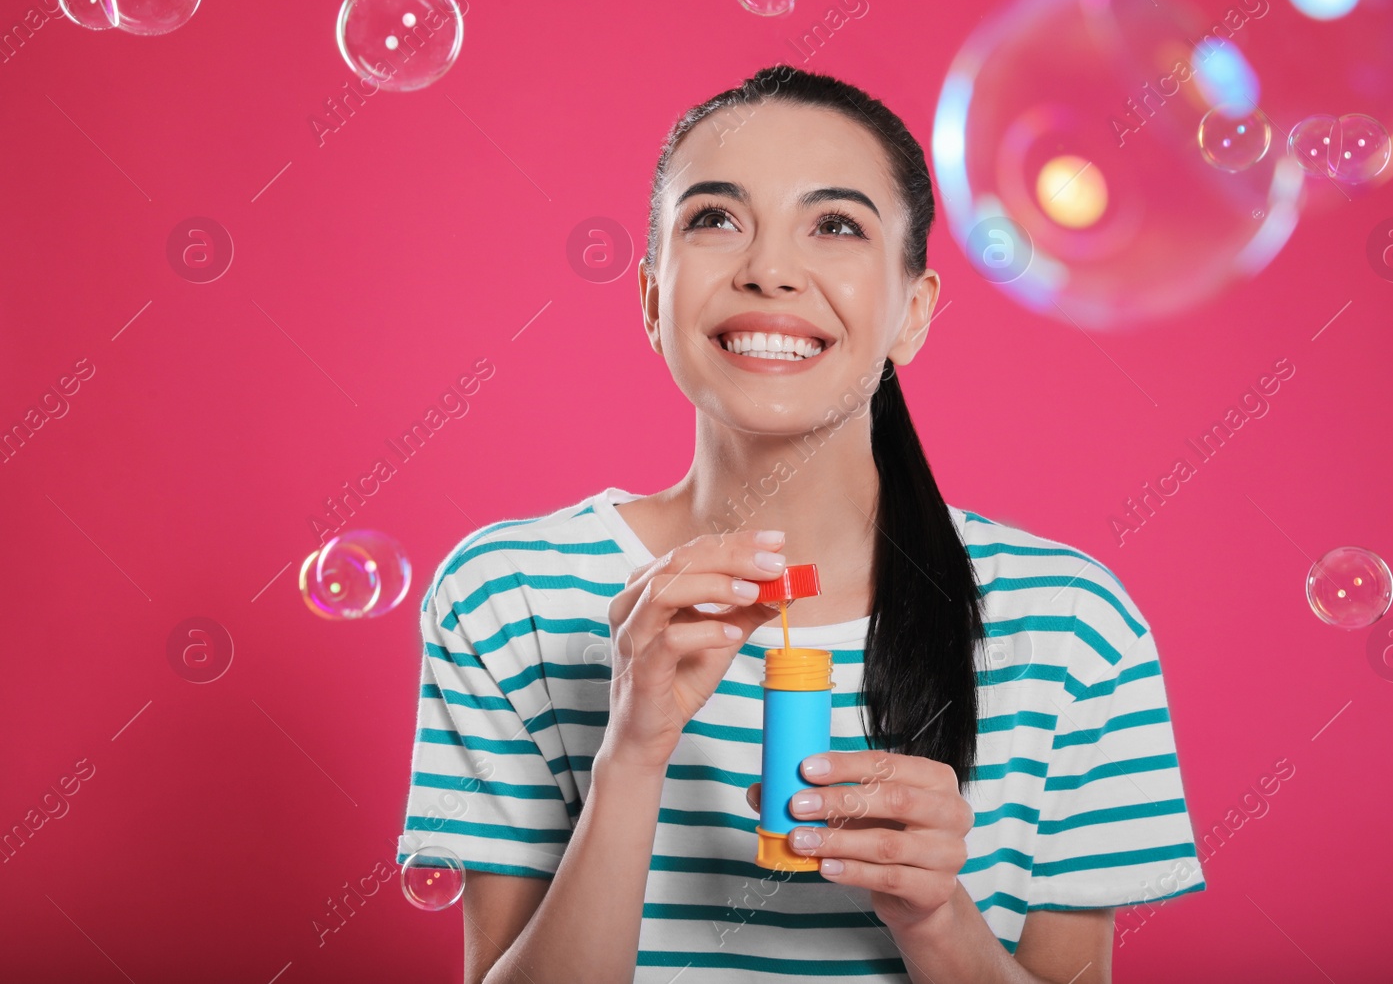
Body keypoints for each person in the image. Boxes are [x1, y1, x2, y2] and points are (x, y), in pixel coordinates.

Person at [396, 65, 1206, 983]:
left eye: (835, 225)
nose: (769, 269)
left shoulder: (1071, 625)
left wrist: (937, 917)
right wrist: (628, 756)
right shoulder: (511, 595)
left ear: (914, 311)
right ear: (653, 299)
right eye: (713, 219)